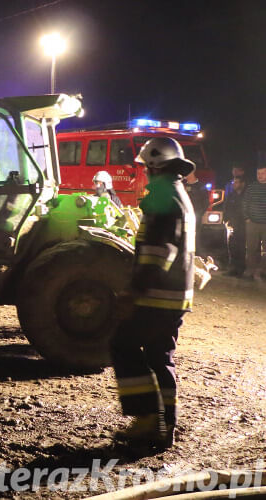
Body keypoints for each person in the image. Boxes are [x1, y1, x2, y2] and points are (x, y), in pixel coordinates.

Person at [111, 137, 196, 450]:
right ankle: (164, 426)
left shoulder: (162, 195)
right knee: (161, 358)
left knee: (123, 344)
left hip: (158, 296)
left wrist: (134, 291)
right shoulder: (179, 194)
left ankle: (148, 419)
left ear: (155, 166)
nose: (144, 173)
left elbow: (159, 252)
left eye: (146, 167)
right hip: (175, 296)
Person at [243, 165, 266, 281]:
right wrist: (247, 218)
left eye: (262, 173)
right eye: (258, 174)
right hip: (252, 223)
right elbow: (245, 203)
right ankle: (250, 270)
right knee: (251, 248)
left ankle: (262, 270)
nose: (260, 176)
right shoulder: (252, 187)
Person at [223, 176, 247, 276]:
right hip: (232, 225)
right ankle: (232, 269)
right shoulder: (231, 195)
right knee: (232, 247)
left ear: (242, 183)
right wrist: (226, 221)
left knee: (241, 247)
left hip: (243, 225)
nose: (234, 184)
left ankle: (241, 269)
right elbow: (226, 208)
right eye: (234, 182)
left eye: (237, 182)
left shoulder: (247, 195)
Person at [184, 171, 209, 252]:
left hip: (196, 216)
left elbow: (206, 202)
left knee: (195, 235)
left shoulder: (201, 186)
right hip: (184, 216)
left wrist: (199, 213)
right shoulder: (182, 186)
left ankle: (196, 253)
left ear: (192, 173)